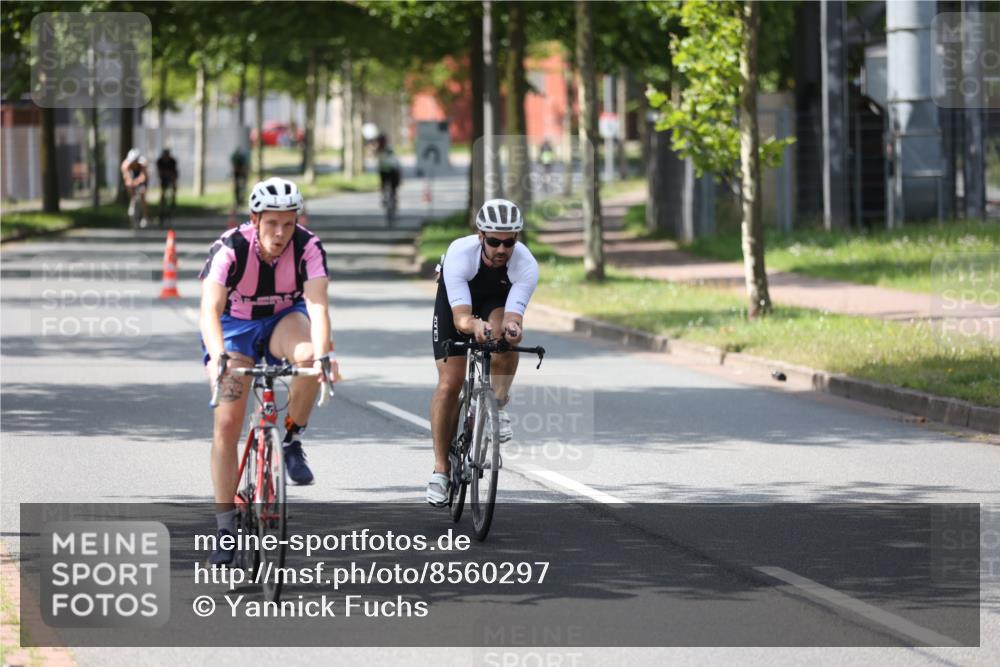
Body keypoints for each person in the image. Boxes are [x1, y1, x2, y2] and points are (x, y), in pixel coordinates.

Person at [198, 176, 338, 564]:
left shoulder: (308, 247)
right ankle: (225, 528)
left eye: (288, 224)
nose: (280, 233)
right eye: (271, 223)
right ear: (254, 219)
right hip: (234, 329)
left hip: (282, 321)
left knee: (309, 361)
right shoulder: (229, 249)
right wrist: (218, 357)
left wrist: (324, 356)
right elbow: (209, 309)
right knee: (228, 422)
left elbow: (318, 306)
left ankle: (291, 438)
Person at [426, 198, 539, 507]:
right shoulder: (460, 254)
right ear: (480, 236)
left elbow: (514, 316)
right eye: (494, 241)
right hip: (457, 303)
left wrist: (512, 328)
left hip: (496, 300)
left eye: (509, 242)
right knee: (450, 383)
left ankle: (497, 406)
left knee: (506, 338)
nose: (502, 249)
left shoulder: (526, 264)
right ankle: (440, 470)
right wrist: (474, 325)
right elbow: (462, 319)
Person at [120, 148, 149, 227]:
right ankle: (132, 201)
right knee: (129, 186)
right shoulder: (125, 165)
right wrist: (131, 183)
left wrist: (138, 181)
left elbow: (143, 176)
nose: (134, 163)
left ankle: (145, 217)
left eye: (135, 162)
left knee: (142, 193)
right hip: (132, 177)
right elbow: (127, 178)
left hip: (140, 177)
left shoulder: (143, 163)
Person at [375, 134, 402, 213]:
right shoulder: (380, 149)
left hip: (392, 170)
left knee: (392, 187)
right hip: (386, 170)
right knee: (386, 185)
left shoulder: (387, 148)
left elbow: (393, 159)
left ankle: (391, 200)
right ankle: (387, 198)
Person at [155, 148, 178, 221]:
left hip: (171, 176)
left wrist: (173, 180)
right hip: (163, 178)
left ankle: (173, 200)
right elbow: (159, 172)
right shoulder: (159, 161)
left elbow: (174, 172)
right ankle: (161, 208)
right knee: (162, 192)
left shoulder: (173, 161)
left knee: (174, 186)